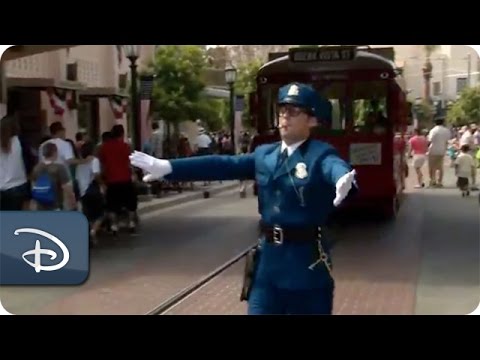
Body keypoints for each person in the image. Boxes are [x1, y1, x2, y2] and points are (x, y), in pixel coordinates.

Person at [130, 83, 357, 315]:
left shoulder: (320, 154)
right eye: (281, 111)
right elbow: (222, 165)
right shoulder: (265, 154)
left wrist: (342, 180)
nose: (284, 117)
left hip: (307, 268)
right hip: (268, 266)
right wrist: (168, 167)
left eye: (294, 111)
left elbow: (335, 167)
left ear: (312, 120)